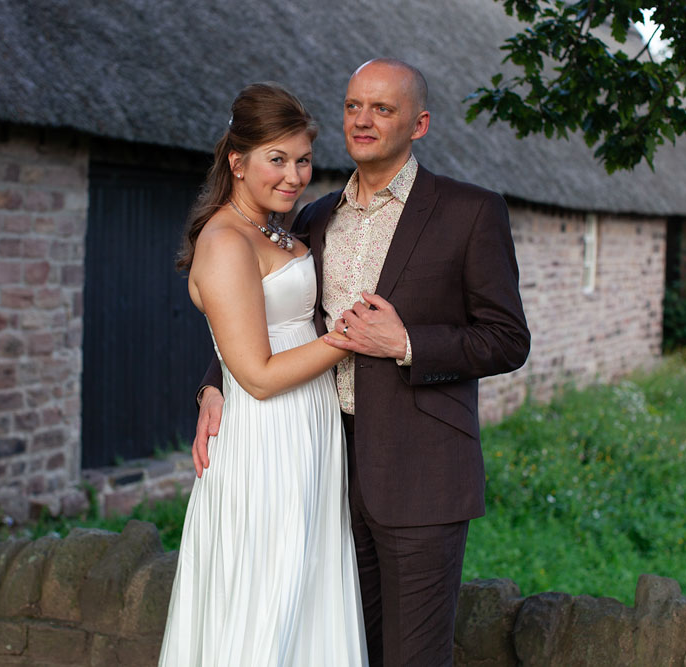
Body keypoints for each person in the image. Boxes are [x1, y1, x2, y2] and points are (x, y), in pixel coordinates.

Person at [193, 60, 531, 665]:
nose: (364, 120)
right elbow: (271, 316)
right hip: (322, 469)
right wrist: (216, 385)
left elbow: (508, 339)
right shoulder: (313, 218)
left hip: (421, 475)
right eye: (353, 106)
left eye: (383, 108)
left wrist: (407, 344)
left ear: (419, 123)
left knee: (413, 656)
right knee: (342, 647)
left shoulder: (470, 212)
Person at [158, 82, 368, 666]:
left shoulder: (274, 226)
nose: (295, 175)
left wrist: (209, 381)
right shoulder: (226, 240)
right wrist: (349, 339)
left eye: (302, 160)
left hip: (306, 430)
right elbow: (256, 373)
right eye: (277, 159)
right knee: (268, 592)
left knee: (307, 590)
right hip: (266, 437)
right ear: (237, 160)